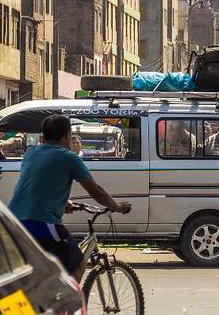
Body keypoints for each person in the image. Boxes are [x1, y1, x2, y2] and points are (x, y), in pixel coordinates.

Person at [8, 115, 131, 281]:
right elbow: (96, 191)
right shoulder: (69, 157)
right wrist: (117, 207)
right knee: (78, 262)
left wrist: (64, 202)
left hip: (13, 223)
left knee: (42, 270)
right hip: (42, 224)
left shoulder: (31, 154)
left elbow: (38, 184)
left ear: (43, 136)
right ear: (66, 135)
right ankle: (69, 305)